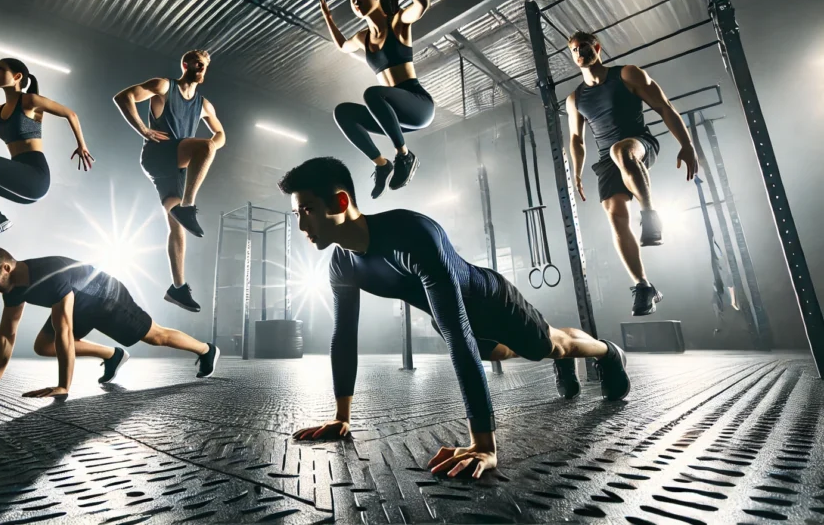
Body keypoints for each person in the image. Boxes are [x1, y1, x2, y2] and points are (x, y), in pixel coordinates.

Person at [278, 157, 630, 479]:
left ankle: (609, 353)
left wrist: (484, 445)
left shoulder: (412, 234)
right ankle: (560, 357)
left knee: (552, 345)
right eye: (296, 214)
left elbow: (457, 331)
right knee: (497, 352)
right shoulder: (341, 264)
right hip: (450, 317)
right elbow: (343, 337)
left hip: (492, 302)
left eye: (306, 209)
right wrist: (342, 418)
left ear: (340, 202)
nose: (301, 223)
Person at [0, 246, 220, 397]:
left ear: (6, 268)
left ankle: (207, 350)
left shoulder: (50, 274)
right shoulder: (11, 287)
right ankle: (114, 355)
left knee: (155, 336)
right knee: (43, 346)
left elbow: (64, 330)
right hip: (79, 303)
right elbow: (7, 334)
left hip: (105, 296)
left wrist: (63, 386)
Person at [565, 31, 699, 316]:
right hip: (606, 160)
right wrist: (575, 174)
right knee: (615, 216)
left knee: (620, 152)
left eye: (585, 48)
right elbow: (576, 139)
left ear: (597, 48)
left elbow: (664, 107)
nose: (580, 54)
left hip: (638, 143)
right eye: (575, 50)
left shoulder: (627, 74)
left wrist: (687, 145)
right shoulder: (575, 99)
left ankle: (650, 214)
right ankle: (643, 286)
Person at [0, 59, 94, 255]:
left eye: (0, 69)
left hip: (35, 176)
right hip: (20, 181)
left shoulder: (29, 101)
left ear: (17, 77)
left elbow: (70, 114)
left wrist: (82, 145)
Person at [113, 50, 226, 313]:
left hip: (177, 167)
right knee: (205, 149)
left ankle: (178, 288)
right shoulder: (165, 86)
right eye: (198, 61)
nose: (202, 66)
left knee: (176, 227)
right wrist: (143, 128)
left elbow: (220, 133)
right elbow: (123, 97)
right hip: (159, 153)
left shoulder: (204, 104)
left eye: (205, 64)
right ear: (185, 64)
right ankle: (188, 206)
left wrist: (212, 145)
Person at [320, 0, 435, 199]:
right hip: (393, 116)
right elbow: (342, 46)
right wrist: (329, 19)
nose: (355, 2)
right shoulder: (363, 37)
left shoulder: (398, 23)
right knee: (343, 112)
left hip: (417, 105)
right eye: (352, 0)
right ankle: (382, 165)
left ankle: (405, 156)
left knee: (372, 93)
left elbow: (422, 4)